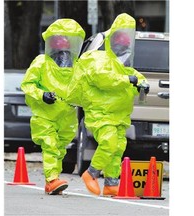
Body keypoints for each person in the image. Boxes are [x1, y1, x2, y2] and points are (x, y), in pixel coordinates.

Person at [66, 13, 150, 196]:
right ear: (111, 40)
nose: (123, 45)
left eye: (126, 41)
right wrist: (127, 79)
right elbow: (104, 79)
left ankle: (112, 183)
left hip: (120, 116)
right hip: (101, 114)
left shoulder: (126, 67)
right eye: (119, 40)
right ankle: (91, 173)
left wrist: (142, 85)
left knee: (118, 148)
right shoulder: (99, 60)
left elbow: (133, 83)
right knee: (109, 144)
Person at [20, 19, 85, 195]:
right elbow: (27, 84)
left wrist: (79, 100)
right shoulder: (41, 62)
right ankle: (52, 179)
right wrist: (43, 95)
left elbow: (81, 88)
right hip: (45, 115)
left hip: (67, 116)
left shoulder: (76, 65)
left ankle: (52, 180)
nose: (63, 53)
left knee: (59, 149)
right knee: (50, 144)